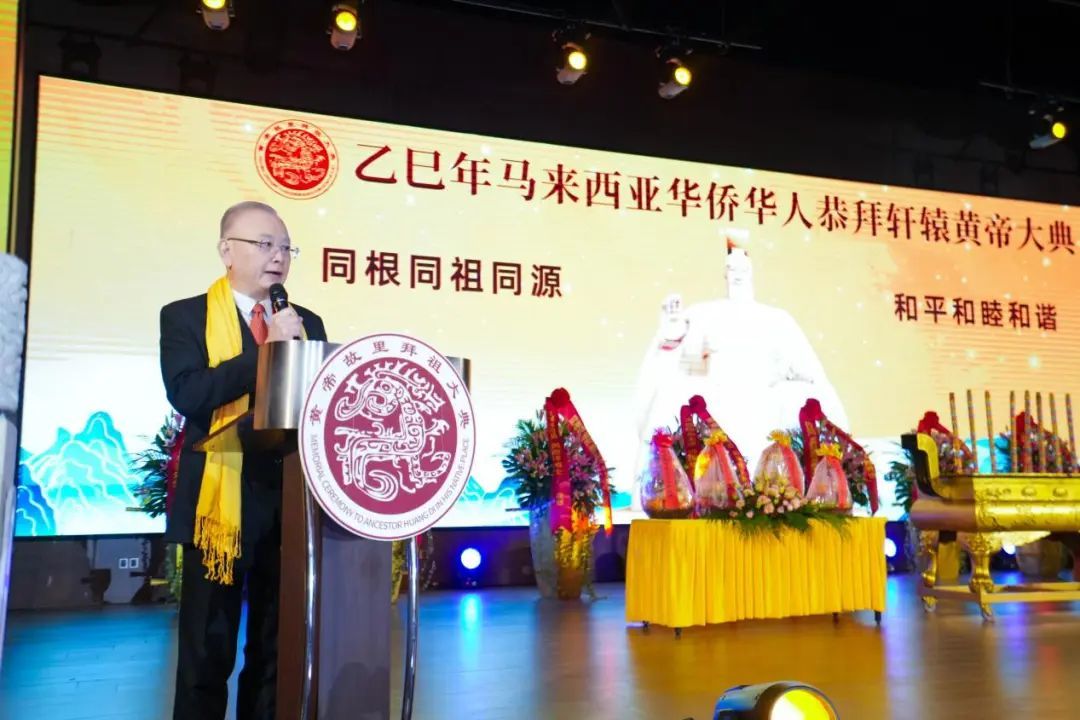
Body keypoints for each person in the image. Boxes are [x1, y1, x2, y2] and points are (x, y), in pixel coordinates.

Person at [160, 201, 327, 720]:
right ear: (226, 251)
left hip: (287, 504)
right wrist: (266, 352)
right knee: (206, 653)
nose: (278, 257)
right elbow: (189, 394)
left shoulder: (306, 322)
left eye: (286, 247)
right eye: (265, 244)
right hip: (218, 507)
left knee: (275, 651)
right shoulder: (184, 316)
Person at [632, 238, 848, 481]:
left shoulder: (777, 319)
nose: (737, 275)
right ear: (725, 274)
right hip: (716, 396)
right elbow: (683, 359)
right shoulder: (706, 313)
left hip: (765, 395)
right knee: (673, 391)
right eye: (731, 269)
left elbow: (807, 369)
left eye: (742, 269)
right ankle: (664, 482)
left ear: (751, 272)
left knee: (803, 397)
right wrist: (672, 332)